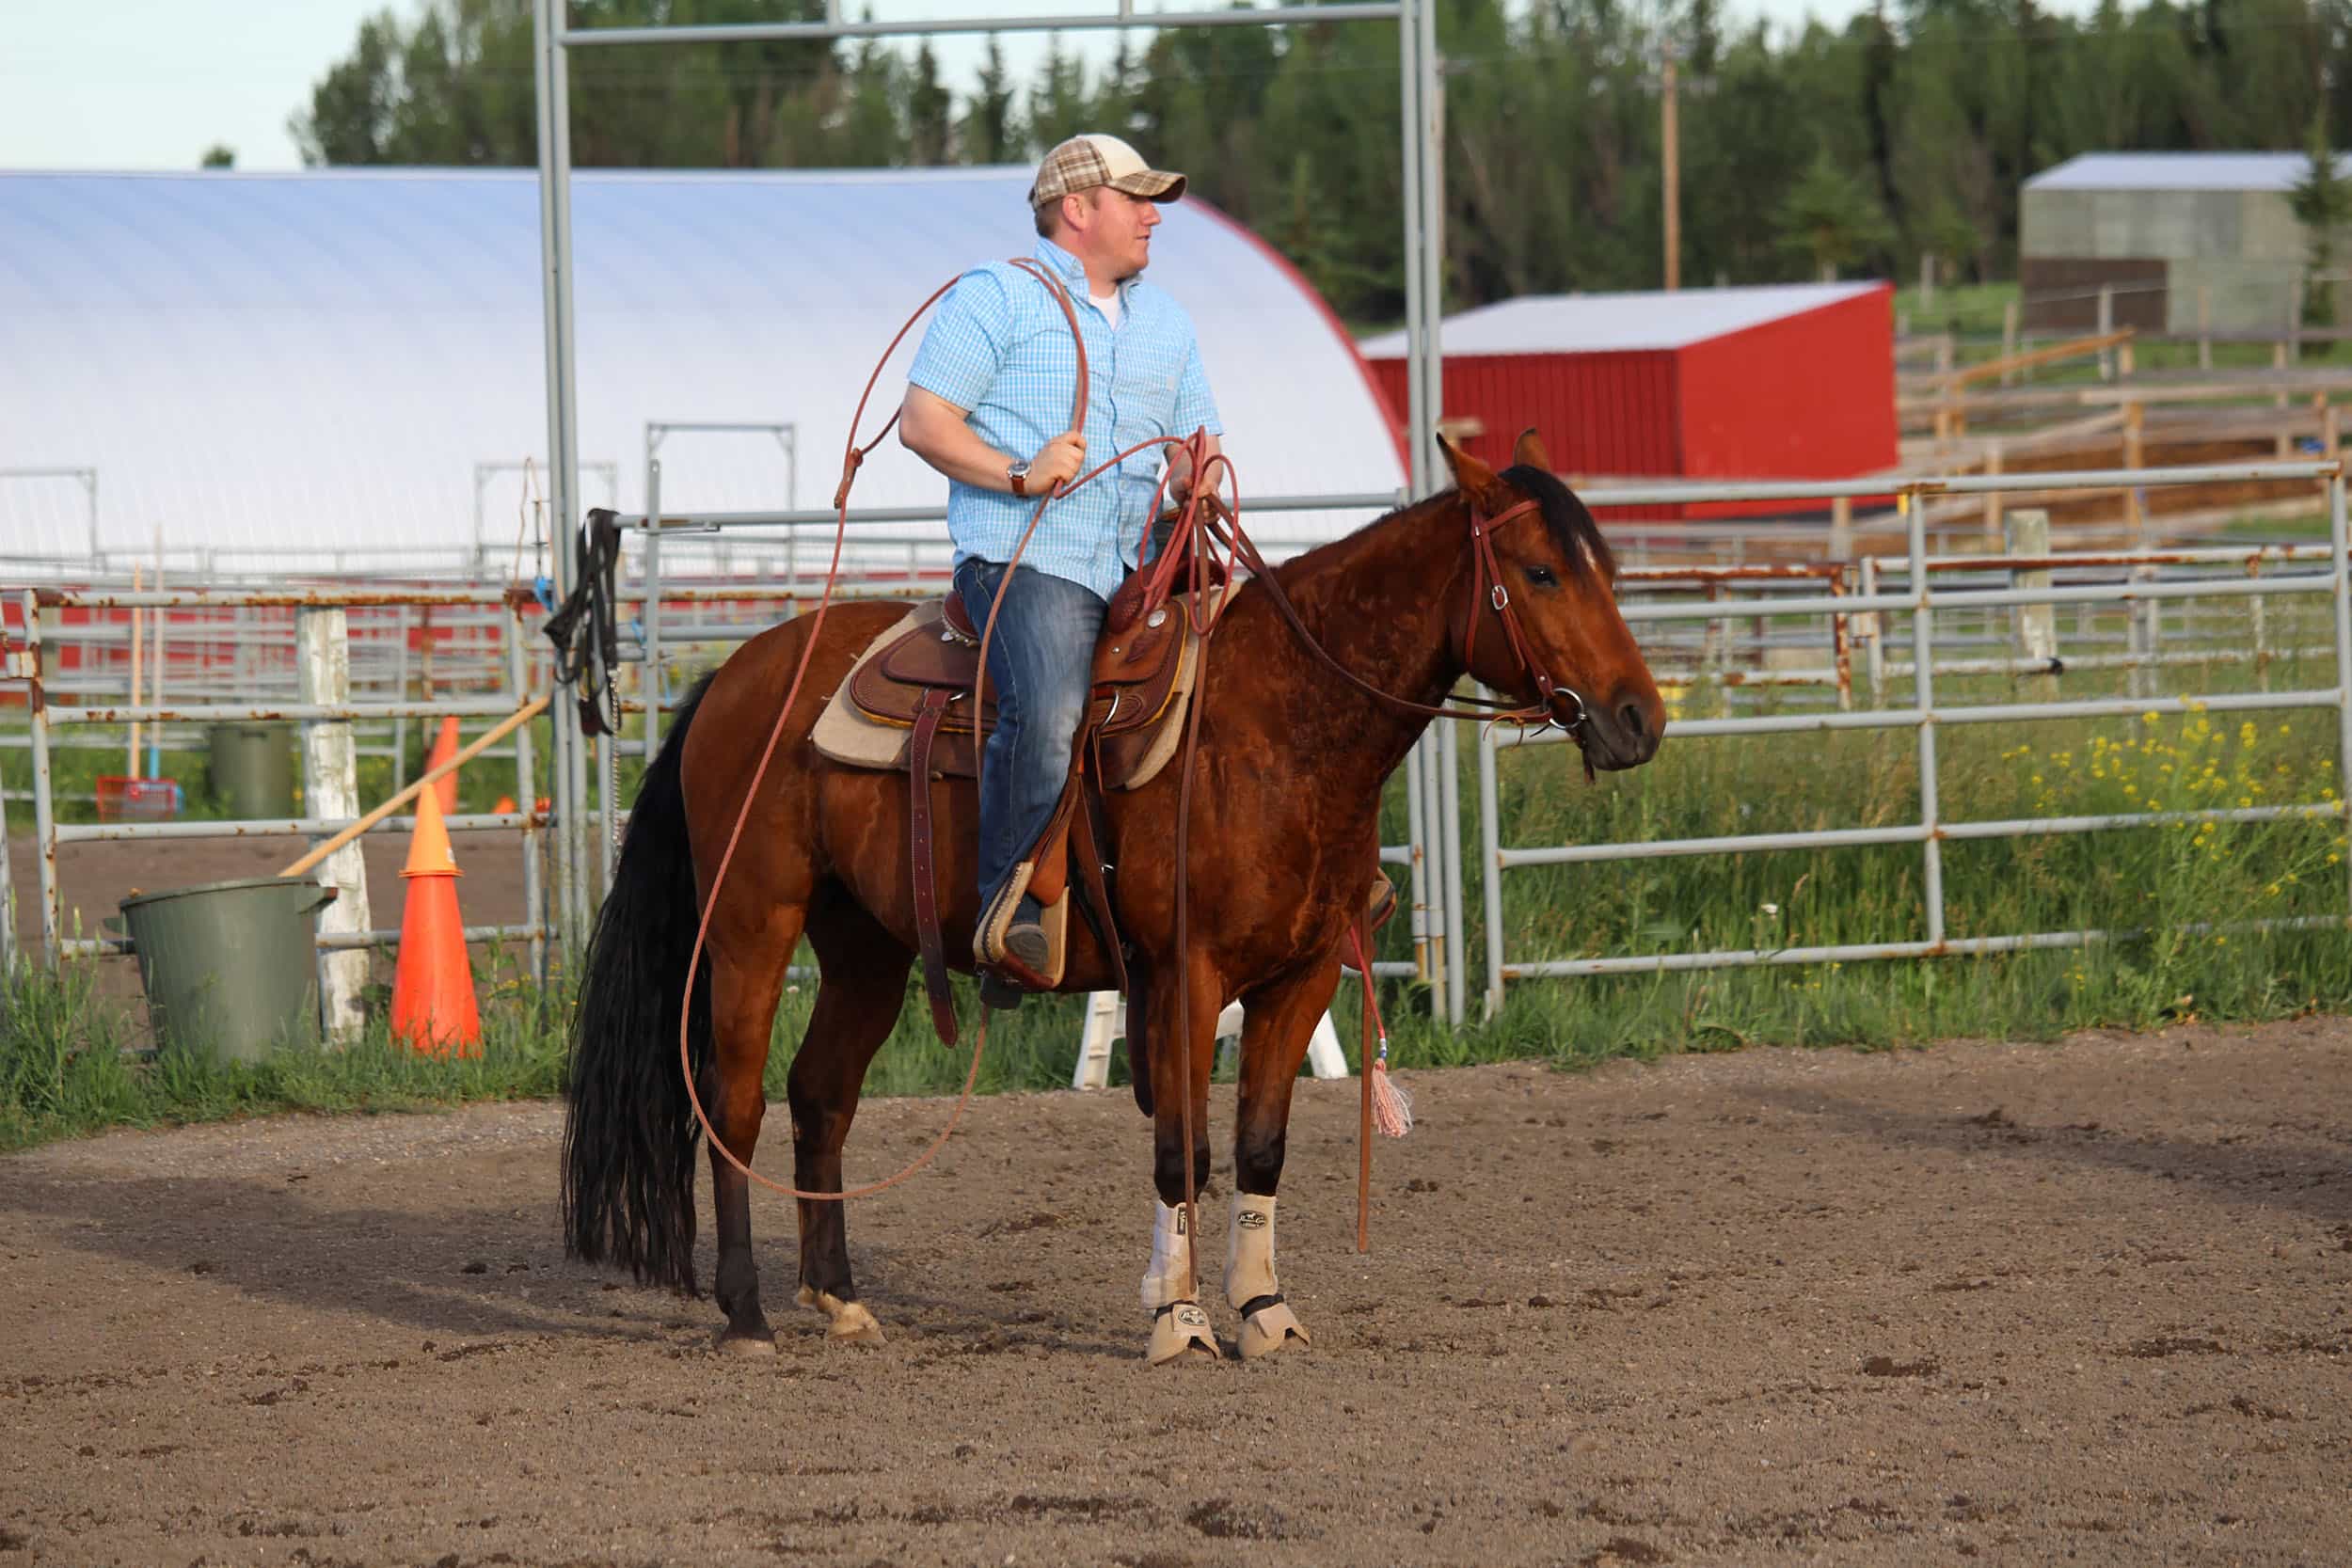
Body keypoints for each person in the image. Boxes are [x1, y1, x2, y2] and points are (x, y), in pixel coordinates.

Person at [900, 133, 1225, 985]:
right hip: (1027, 554)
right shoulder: (998, 298)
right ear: (1078, 209)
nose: (1153, 216)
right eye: (1135, 199)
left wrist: (1197, 476)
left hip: (1143, 559)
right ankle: (1010, 909)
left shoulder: (1168, 321)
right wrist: (1019, 472)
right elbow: (924, 422)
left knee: (1264, 666)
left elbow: (1199, 440)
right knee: (1045, 711)